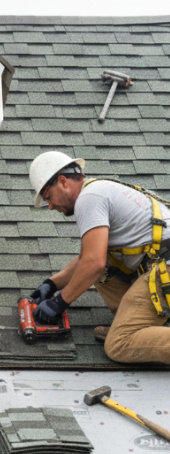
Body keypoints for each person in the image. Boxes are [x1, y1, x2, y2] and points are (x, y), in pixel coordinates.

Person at [28, 150, 170, 364]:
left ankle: (132, 332)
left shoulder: (89, 198)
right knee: (100, 266)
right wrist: (51, 284)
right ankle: (142, 326)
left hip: (164, 270)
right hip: (160, 268)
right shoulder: (99, 190)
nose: (50, 206)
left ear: (63, 181)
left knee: (119, 344)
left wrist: (59, 303)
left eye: (48, 197)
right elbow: (89, 258)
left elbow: (93, 262)